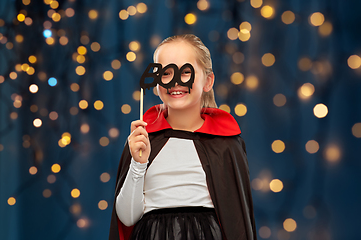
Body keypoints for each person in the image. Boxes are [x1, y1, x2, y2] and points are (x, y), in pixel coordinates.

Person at [109, 34, 256, 240]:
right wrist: (138, 164)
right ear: (155, 79)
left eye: (186, 72)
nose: (175, 82)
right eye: (166, 73)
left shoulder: (225, 143)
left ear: (207, 81)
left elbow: (237, 222)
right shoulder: (143, 139)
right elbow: (127, 218)